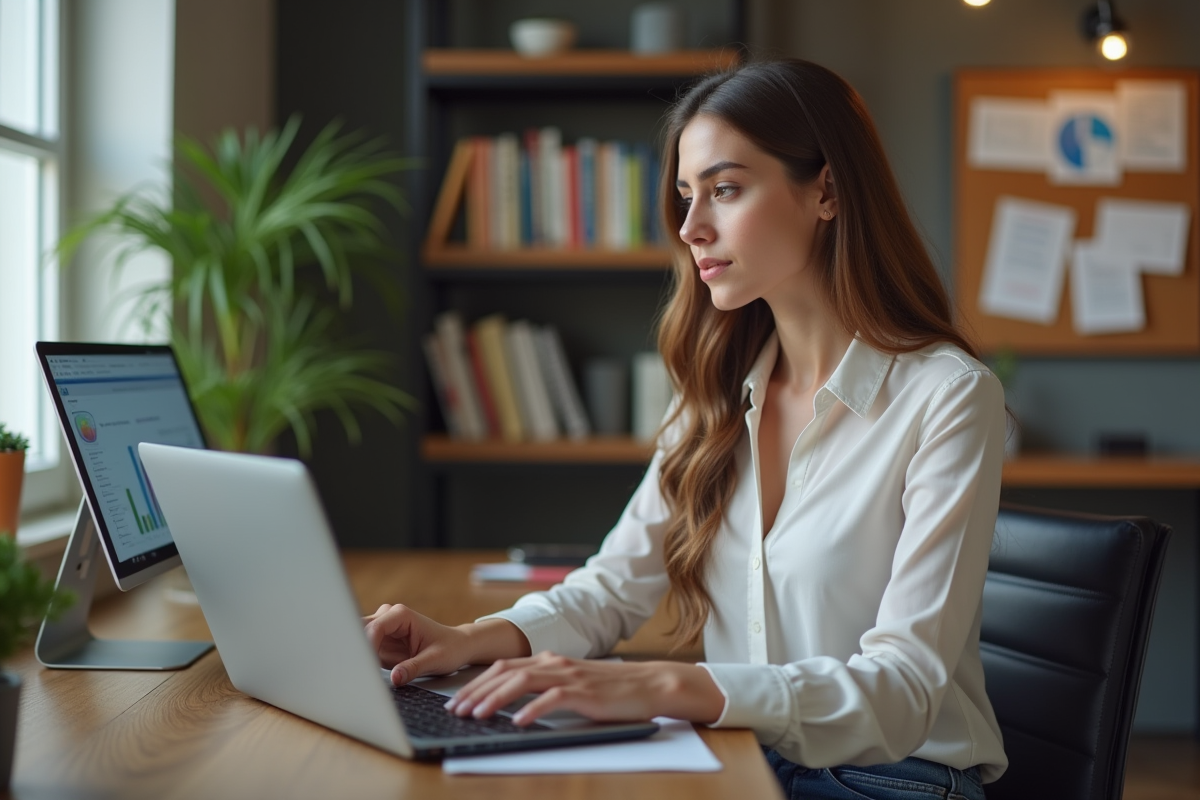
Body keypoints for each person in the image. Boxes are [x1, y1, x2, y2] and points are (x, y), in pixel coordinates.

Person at [366, 59, 1006, 800]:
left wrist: (671, 685)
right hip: (742, 758)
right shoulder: (714, 394)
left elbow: (904, 689)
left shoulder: (948, 397)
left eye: (725, 190)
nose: (690, 226)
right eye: (684, 195)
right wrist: (469, 639)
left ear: (826, 190)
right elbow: (612, 588)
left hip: (894, 776)